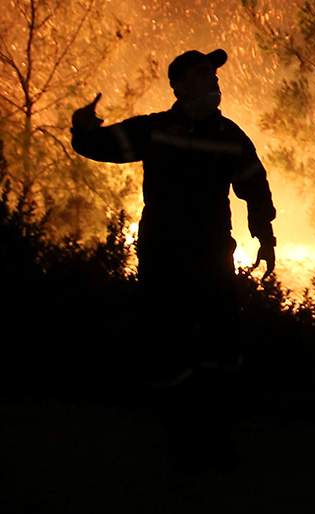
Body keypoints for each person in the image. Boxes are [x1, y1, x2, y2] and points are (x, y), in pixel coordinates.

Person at [71, 49, 276, 470]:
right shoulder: (156, 130)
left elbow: (254, 185)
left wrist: (265, 233)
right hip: (165, 258)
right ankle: (181, 440)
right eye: (204, 75)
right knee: (170, 348)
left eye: (214, 75)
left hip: (212, 256)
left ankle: (214, 439)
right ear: (180, 87)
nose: (214, 81)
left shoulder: (229, 136)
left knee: (221, 348)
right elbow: (100, 145)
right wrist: (83, 126)